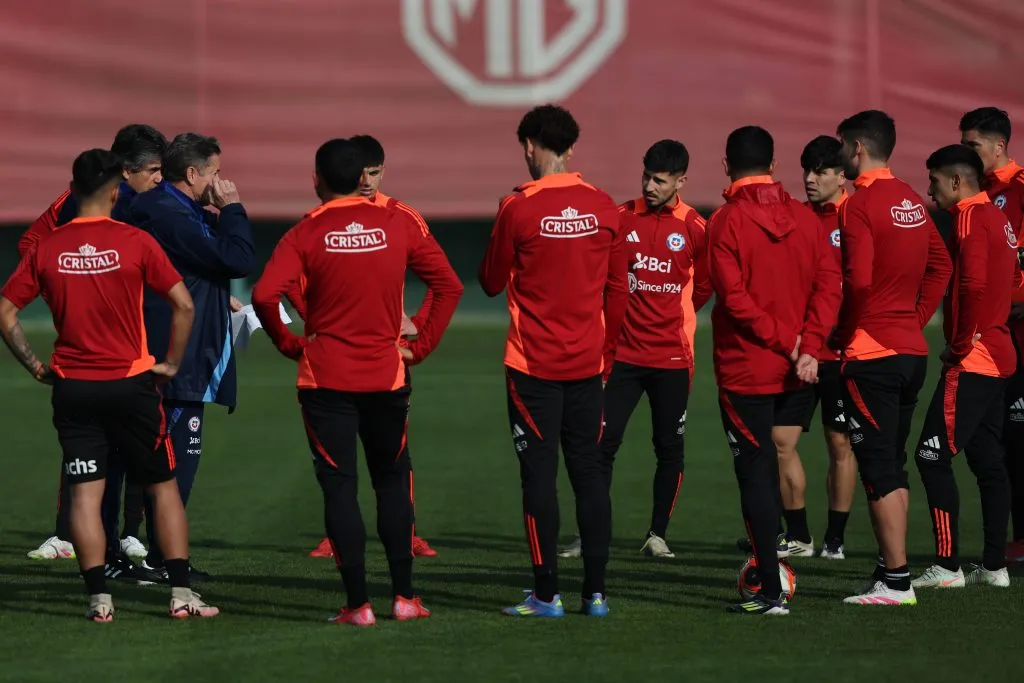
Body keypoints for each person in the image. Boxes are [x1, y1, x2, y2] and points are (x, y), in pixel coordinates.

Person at [252, 138, 463, 626]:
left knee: (340, 489)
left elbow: (265, 293)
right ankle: (406, 599)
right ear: (363, 178)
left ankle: (357, 606)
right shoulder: (397, 223)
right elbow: (449, 284)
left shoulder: (306, 231)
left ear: (316, 180)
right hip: (387, 377)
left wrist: (287, 343)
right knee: (392, 481)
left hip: (326, 380)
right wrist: (422, 345)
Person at [0, 149, 217, 621]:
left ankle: (99, 599)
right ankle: (181, 595)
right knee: (162, 487)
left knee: (85, 494)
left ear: (74, 191)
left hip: (74, 388)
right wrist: (172, 362)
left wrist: (36, 365)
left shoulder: (48, 246)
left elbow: (5, 311)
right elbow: (183, 305)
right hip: (132, 384)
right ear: (116, 191)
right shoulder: (135, 240)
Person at [479, 104, 628, 618]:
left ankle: (546, 595)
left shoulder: (516, 208)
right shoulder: (605, 206)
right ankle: (597, 594)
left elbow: (491, 281)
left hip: (532, 368)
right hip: (588, 368)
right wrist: (605, 354)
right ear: (572, 148)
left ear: (529, 146)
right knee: (589, 475)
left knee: (538, 479)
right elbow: (619, 291)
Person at [708, 125, 841, 615]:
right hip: (801, 368)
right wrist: (811, 344)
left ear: (726, 166)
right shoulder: (806, 219)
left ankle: (770, 591)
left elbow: (735, 300)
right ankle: (784, 567)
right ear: (774, 165)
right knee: (782, 461)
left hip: (748, 369)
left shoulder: (725, 221)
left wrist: (791, 343)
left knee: (756, 476)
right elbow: (830, 283)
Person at [23, 124, 167, 575]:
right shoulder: (81, 201)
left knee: (133, 445)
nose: (159, 180)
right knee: (94, 445)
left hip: (139, 333)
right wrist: (70, 293)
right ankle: (75, 535)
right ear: (124, 173)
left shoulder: (152, 205)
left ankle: (126, 533)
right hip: (95, 349)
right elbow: (33, 243)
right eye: (152, 171)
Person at [559, 139, 710, 560]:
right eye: (646, 177)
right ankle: (590, 534)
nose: (650, 186)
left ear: (681, 181)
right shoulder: (622, 219)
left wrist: (677, 315)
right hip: (621, 358)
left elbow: (708, 283)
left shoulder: (696, 227)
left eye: (660, 181)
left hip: (673, 359)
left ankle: (656, 535)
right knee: (599, 446)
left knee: (669, 448)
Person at [296, 134, 438, 559]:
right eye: (361, 173)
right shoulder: (319, 218)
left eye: (374, 173)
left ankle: (406, 532)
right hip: (336, 354)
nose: (366, 181)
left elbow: (441, 281)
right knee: (339, 456)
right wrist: (318, 320)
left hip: (388, 356)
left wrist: (418, 330)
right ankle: (337, 533)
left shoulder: (403, 217)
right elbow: (292, 284)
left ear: (383, 171)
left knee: (394, 453)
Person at [831, 110, 952, 606]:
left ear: (857, 147)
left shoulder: (857, 204)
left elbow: (858, 280)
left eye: (842, 146)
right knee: (894, 466)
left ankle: (898, 582)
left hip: (872, 353)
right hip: (909, 351)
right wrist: (916, 316)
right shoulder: (909, 198)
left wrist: (845, 329)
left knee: (879, 468)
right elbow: (941, 264)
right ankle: (889, 572)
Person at [129, 132, 256, 581]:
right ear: (193, 173)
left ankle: (151, 554)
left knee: (160, 457)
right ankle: (161, 560)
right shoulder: (170, 214)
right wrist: (234, 208)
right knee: (178, 459)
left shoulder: (176, 211)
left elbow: (206, 264)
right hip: (179, 355)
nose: (221, 181)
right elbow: (236, 259)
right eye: (215, 172)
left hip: (175, 348)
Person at [910, 144, 1015, 589]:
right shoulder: (1001, 219)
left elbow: (972, 282)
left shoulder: (970, 217)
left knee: (930, 455)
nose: (930, 193)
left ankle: (948, 567)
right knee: (988, 460)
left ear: (955, 181)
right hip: (999, 351)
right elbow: (1009, 282)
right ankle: (994, 566)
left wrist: (958, 341)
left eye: (934, 182)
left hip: (975, 356)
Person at [960, 107, 1024, 566]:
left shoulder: (1019, 188)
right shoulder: (981, 195)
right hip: (998, 330)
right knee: (1002, 439)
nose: (966, 153)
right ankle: (1008, 546)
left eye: (972, 145)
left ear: (999, 146)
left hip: (1018, 325)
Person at [800, 135, 857, 559]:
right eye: (807, 169)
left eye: (819, 171)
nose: (809, 178)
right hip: (798, 350)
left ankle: (834, 540)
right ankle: (795, 533)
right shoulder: (796, 219)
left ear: (842, 176)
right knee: (778, 441)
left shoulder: (856, 217)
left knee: (839, 443)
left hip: (841, 353)